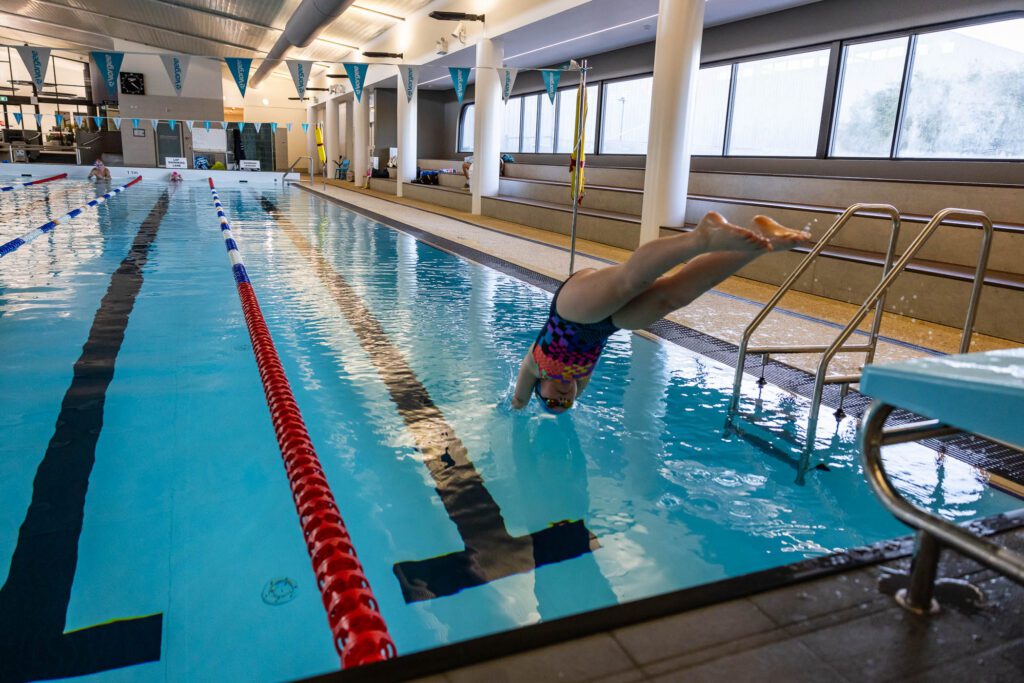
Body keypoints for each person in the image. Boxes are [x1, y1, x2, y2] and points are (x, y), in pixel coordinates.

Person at [512, 212, 811, 413]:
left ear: (539, 387)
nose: (561, 399)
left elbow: (518, 398)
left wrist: (517, 407)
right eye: (565, 405)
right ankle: (762, 242)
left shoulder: (535, 368)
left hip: (571, 311)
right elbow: (568, 392)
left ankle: (702, 237)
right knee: (674, 296)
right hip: (607, 326)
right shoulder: (581, 381)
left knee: (632, 281)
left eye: (550, 399)